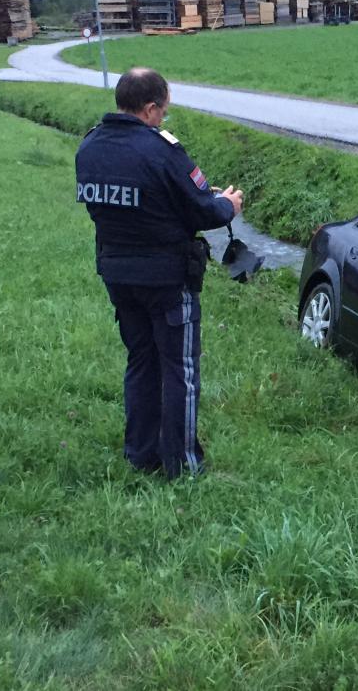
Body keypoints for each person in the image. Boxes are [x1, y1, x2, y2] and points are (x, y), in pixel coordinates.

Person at [75, 67, 244, 479]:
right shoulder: (162, 151)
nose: (164, 119)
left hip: (117, 274)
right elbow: (203, 209)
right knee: (180, 370)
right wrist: (230, 205)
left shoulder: (89, 147)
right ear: (150, 108)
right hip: (167, 279)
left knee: (141, 361)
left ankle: (140, 454)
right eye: (164, 111)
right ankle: (182, 466)